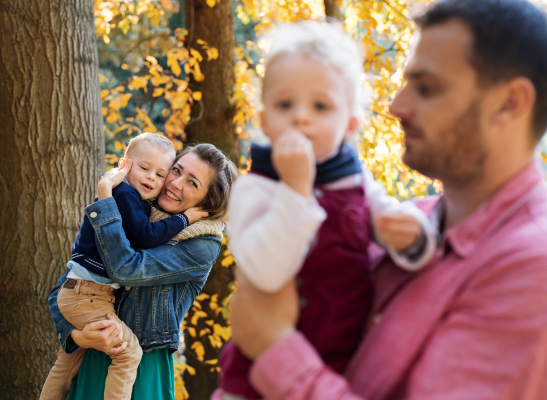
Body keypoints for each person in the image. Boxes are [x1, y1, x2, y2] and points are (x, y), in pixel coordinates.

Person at [227, 0, 547, 399]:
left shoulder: (530, 268)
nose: (396, 107)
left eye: (427, 88)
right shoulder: (408, 222)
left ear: (510, 102)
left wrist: (275, 348)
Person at [214, 22, 437, 400]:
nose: (301, 117)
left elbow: (390, 221)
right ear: (265, 120)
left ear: (348, 125)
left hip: (343, 363)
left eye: (320, 106)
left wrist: (414, 237)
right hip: (255, 380)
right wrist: (296, 189)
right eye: (285, 105)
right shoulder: (256, 188)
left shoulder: (356, 180)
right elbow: (266, 275)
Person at [47, 143, 238, 400]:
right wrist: (77, 336)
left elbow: (125, 269)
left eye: (192, 183)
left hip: (142, 368)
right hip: (93, 356)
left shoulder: (201, 244)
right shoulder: (135, 214)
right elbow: (67, 285)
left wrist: (105, 199)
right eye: (176, 171)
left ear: (207, 202)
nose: (175, 183)